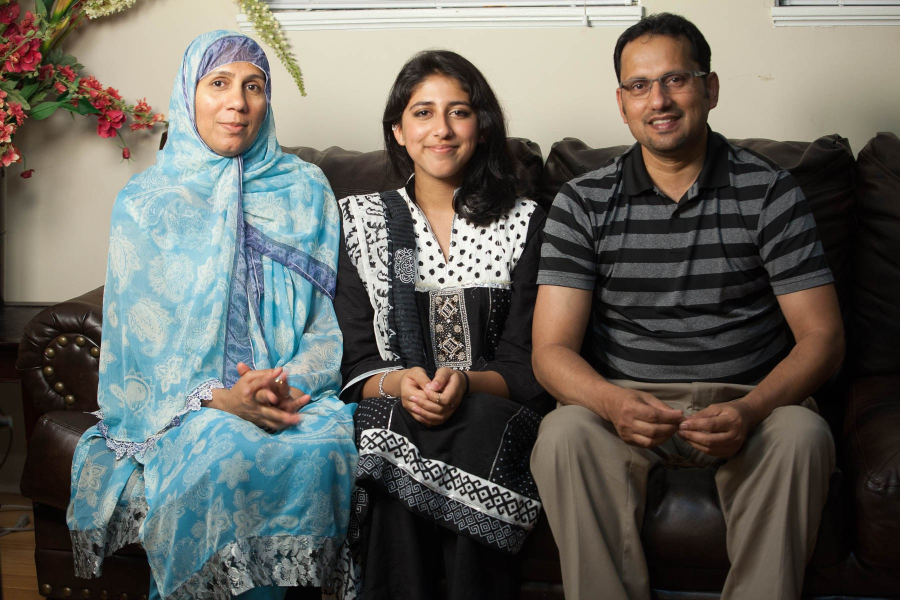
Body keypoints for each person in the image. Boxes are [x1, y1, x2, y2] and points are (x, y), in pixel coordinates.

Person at [530, 12, 844, 600]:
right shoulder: (582, 201)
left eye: (676, 79)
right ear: (621, 104)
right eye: (639, 86)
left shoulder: (770, 192)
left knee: (805, 433)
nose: (659, 100)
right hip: (624, 406)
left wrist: (751, 411)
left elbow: (823, 337)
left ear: (710, 88)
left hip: (752, 406)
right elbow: (549, 351)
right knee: (563, 432)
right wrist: (611, 401)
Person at [66, 31, 357, 600]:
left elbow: (325, 325)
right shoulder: (146, 201)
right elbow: (135, 351)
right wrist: (219, 398)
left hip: (291, 395)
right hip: (189, 404)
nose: (238, 102)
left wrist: (281, 387)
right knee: (224, 448)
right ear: (187, 95)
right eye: (218, 84)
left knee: (318, 448)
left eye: (254, 87)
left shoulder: (305, 189)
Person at [332, 50, 551, 600]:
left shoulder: (521, 224)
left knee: (478, 423)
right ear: (399, 131)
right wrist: (403, 383)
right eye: (423, 113)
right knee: (392, 423)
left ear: (482, 125)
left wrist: (463, 384)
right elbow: (356, 357)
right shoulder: (367, 223)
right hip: (394, 405)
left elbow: (527, 362)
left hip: (494, 406)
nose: (442, 130)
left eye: (459, 112)